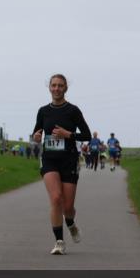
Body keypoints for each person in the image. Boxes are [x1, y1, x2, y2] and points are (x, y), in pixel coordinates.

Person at [31, 74, 91, 256]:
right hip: (49, 159)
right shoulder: (43, 111)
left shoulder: (73, 110)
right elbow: (37, 131)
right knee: (56, 198)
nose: (56, 89)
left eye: (60, 86)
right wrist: (36, 136)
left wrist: (68, 134)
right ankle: (59, 241)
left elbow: (87, 135)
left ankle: (71, 223)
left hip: (69, 159)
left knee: (68, 207)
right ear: (49, 87)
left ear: (65, 88)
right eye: (54, 85)